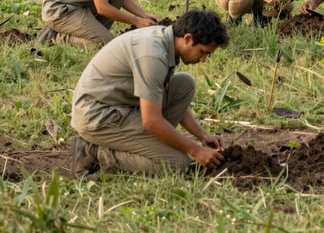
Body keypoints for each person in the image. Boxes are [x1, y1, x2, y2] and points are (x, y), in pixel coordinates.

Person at [70, 9, 229, 177]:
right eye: (203, 52)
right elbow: (151, 121)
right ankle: (93, 152)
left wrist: (202, 135)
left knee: (185, 85)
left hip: (120, 106)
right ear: (188, 38)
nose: (203, 59)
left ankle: (144, 144)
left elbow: (160, 98)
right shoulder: (153, 56)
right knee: (176, 163)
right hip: (97, 116)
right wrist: (196, 151)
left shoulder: (165, 41)